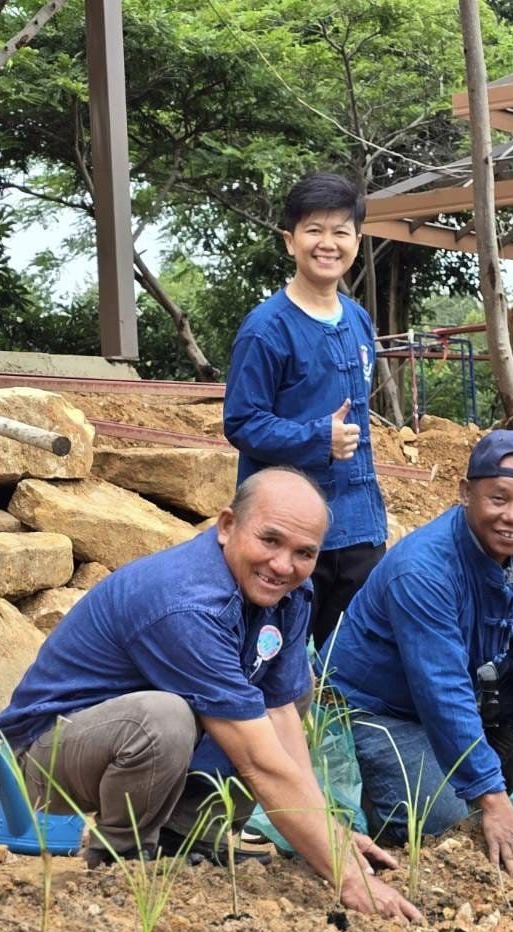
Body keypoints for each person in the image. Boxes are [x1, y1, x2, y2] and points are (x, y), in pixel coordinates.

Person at [0, 468, 421, 922]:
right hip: (45, 759)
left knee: (289, 695)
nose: (283, 565)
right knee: (164, 718)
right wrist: (349, 877)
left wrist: (326, 831)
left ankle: (191, 837)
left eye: (304, 553)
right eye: (270, 540)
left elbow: (280, 718)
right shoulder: (187, 603)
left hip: (132, 749)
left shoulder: (289, 596)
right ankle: (121, 863)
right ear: (226, 527)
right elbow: (259, 760)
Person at [321, 430, 513, 878]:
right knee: (447, 821)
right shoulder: (423, 569)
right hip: (377, 708)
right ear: (465, 493)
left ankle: (488, 768)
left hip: (471, 699)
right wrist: (491, 798)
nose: (512, 517)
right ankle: (355, 793)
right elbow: (441, 691)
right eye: (498, 499)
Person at [223, 171, 386, 649]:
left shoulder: (358, 319)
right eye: (314, 230)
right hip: (285, 535)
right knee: (274, 660)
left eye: (340, 231)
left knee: (349, 662)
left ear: (357, 239)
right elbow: (242, 421)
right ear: (289, 241)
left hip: (360, 530)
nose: (327, 243)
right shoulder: (266, 329)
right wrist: (318, 439)